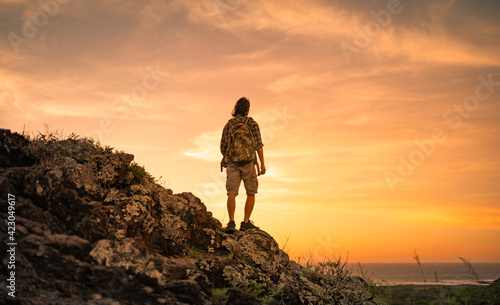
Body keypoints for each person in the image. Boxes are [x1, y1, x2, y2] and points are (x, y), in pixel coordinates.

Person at [220, 97, 266, 233]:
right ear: (247, 109)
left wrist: (229, 157)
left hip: (233, 163)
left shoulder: (229, 125)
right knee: (251, 192)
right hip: (249, 162)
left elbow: (223, 146)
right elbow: (258, 144)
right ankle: (245, 222)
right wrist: (262, 164)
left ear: (236, 109)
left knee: (232, 193)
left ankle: (231, 222)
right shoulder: (252, 123)